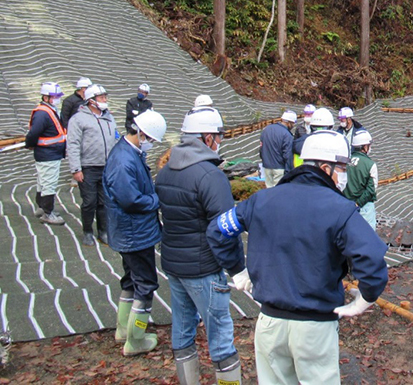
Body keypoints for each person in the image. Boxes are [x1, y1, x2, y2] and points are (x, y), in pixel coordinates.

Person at [208, 130, 388, 385]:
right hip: (315, 326)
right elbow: (371, 258)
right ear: (326, 168)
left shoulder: (261, 199)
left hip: (269, 323)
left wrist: (238, 270)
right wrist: (365, 298)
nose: (344, 175)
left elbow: (218, 230)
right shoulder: (340, 209)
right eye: (342, 168)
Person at [155, 107, 244, 385]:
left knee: (182, 330)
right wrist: (238, 269)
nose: (220, 141)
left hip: (173, 264)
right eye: (218, 135)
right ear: (207, 138)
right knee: (220, 337)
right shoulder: (210, 176)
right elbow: (225, 229)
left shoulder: (166, 170)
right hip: (203, 268)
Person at [103, 109, 166, 357]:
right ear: (140, 133)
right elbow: (132, 200)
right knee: (146, 284)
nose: (151, 144)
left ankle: (123, 329)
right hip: (134, 233)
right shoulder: (123, 161)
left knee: (130, 280)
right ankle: (136, 338)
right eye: (150, 139)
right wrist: (157, 199)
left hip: (130, 232)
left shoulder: (130, 152)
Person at [66, 84, 118, 246]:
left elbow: (115, 138)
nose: (105, 100)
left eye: (105, 97)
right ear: (91, 101)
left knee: (104, 202)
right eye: (102, 97)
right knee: (89, 202)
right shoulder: (78, 119)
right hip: (87, 167)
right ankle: (87, 231)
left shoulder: (109, 117)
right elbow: (73, 144)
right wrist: (76, 169)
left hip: (106, 167)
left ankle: (102, 231)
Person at [25, 81, 67, 225]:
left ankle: (42, 208)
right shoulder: (43, 113)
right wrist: (30, 145)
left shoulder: (49, 110)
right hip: (48, 154)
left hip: (49, 153)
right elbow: (33, 134)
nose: (58, 99)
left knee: (42, 182)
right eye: (55, 96)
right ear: (46, 97)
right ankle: (48, 213)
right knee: (49, 183)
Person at [345, 129, 378, 229]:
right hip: (364, 208)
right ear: (364, 147)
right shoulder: (370, 164)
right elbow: (371, 190)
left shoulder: (345, 161)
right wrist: (358, 203)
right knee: (368, 236)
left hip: (345, 205)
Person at [259, 110, 296, 187]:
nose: (293, 126)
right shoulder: (287, 135)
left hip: (266, 166)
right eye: (293, 123)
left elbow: (261, 149)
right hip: (279, 168)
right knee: (277, 191)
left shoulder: (267, 129)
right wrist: (289, 171)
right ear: (289, 123)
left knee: (268, 189)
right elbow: (287, 155)